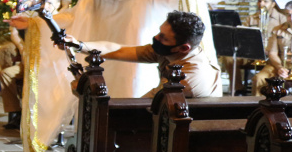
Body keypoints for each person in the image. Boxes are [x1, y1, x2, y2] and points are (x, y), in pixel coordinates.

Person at [15, 0, 207, 152]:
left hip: (135, 64)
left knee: (127, 114)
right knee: (91, 112)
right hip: (103, 57)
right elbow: (72, 16)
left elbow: (182, 4)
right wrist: (35, 22)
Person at [59, 10, 222, 98]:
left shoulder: (186, 79)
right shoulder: (171, 52)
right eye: (159, 32)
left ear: (183, 48)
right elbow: (119, 50)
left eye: (163, 38)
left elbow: (138, 108)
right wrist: (79, 45)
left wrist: (87, 95)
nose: (156, 39)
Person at [0, 0, 60, 130]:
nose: (47, 6)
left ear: (58, 5)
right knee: (5, 74)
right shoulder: (38, 19)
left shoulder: (60, 20)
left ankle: (40, 118)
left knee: (33, 79)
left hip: (49, 68)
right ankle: (16, 113)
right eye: (45, 3)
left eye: (51, 3)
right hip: (29, 62)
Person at [222, 0, 286, 92]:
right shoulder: (251, 18)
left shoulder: (282, 19)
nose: (261, 4)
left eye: (265, 1)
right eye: (259, 1)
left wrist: (269, 50)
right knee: (229, 57)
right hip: (252, 54)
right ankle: (237, 88)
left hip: (271, 55)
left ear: (273, 4)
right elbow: (241, 36)